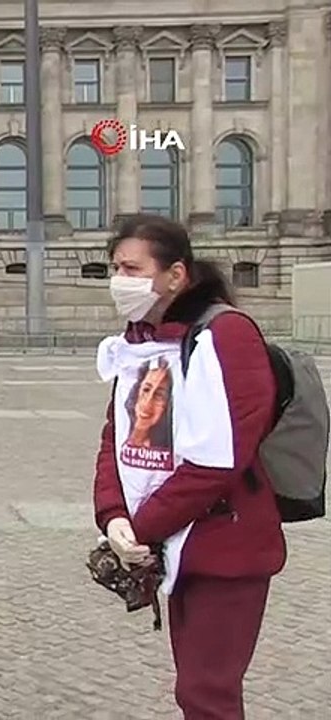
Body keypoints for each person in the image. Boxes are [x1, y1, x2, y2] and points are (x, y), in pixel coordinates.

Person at [93, 214, 285, 718]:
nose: (120, 280)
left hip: (226, 545)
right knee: (196, 689)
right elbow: (117, 436)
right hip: (175, 542)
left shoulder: (226, 336)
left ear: (175, 275)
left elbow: (218, 460)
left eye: (132, 269)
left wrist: (141, 524)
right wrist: (112, 512)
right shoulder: (140, 342)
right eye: (115, 267)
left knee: (207, 693)